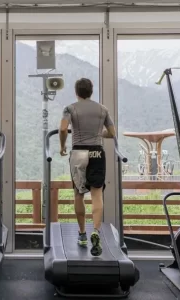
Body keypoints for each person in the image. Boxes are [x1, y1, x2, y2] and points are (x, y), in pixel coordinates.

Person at [59, 78, 116, 257]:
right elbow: (112, 133)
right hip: (97, 152)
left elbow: (62, 129)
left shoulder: (70, 108)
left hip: (78, 153)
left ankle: (82, 233)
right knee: (97, 194)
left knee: (79, 193)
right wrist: (99, 133)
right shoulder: (102, 109)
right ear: (91, 91)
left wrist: (62, 146)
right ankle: (96, 231)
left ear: (77, 92)